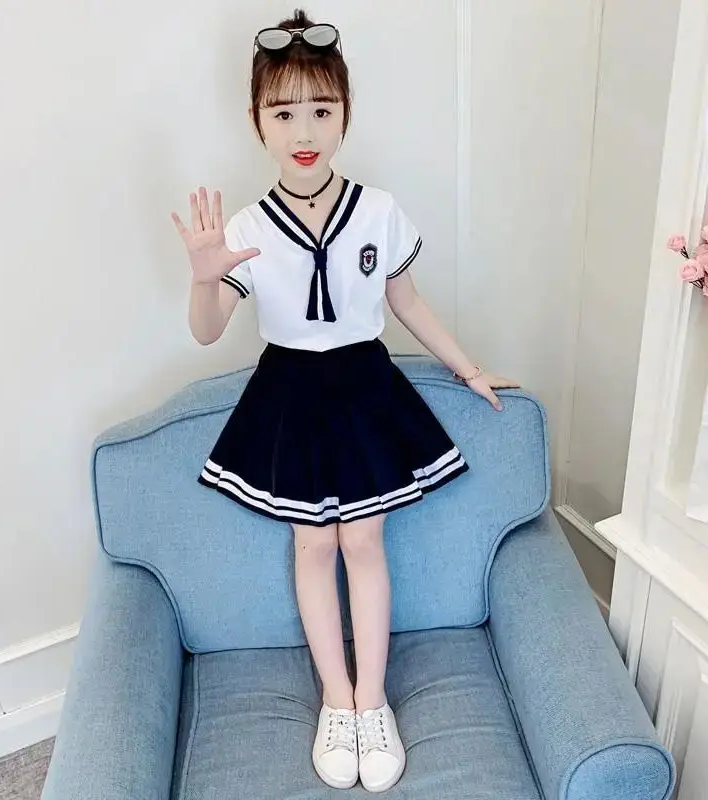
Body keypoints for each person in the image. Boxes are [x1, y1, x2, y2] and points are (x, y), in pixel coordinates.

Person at [171, 9, 517, 793]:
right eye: (284, 112)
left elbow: (407, 300)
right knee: (312, 545)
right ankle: (335, 697)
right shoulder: (247, 227)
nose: (304, 131)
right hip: (288, 392)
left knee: (363, 542)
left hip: (365, 387)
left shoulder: (380, 210)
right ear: (256, 120)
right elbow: (208, 329)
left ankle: (372, 700)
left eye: (321, 110)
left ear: (345, 114)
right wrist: (202, 276)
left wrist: (468, 370)